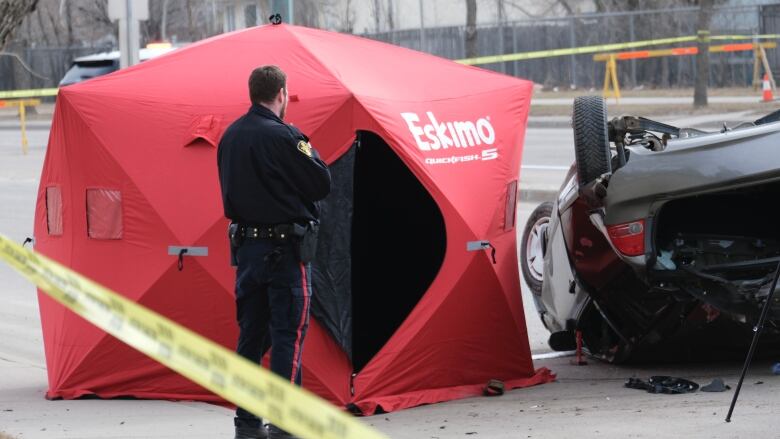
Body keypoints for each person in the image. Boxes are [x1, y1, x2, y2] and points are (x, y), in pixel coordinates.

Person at [217, 65, 331, 439]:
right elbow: (320, 182)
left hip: (248, 252)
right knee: (287, 336)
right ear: (281, 93)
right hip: (285, 253)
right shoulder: (286, 136)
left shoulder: (230, 137)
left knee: (250, 337)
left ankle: (247, 424)